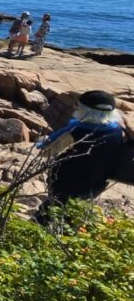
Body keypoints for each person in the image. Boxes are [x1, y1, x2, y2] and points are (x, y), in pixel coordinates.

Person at [33, 90, 125, 225]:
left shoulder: (78, 130)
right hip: (95, 185)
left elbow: (48, 151)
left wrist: (42, 140)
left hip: (68, 184)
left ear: (85, 109)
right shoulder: (116, 129)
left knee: (45, 218)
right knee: (72, 218)